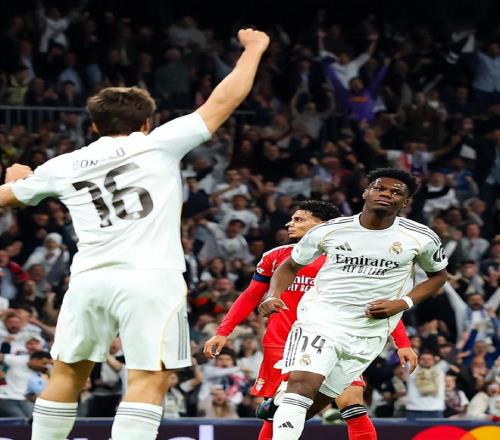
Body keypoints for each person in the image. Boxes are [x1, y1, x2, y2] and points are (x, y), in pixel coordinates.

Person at [0, 28, 270, 440]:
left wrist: (15, 179)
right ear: (147, 122)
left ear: (94, 125)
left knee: (67, 373)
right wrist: (254, 49)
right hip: (151, 279)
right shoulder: (159, 143)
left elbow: (7, 197)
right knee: (149, 377)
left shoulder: (62, 165)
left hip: (88, 280)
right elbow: (224, 100)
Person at [259, 168, 448, 440]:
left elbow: (438, 276)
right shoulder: (330, 230)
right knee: (301, 387)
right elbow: (290, 265)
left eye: (396, 192)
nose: (386, 194)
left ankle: (280, 404)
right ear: (366, 192)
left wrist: (402, 303)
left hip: (368, 333)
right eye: (379, 188)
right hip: (321, 319)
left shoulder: (421, 237)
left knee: (313, 404)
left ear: (405, 202)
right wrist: (273, 294)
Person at [204, 200, 417, 440]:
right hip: (282, 344)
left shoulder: (350, 260)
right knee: (278, 412)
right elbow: (250, 295)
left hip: (337, 340)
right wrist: (223, 331)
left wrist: (402, 343)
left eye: (299, 219)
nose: (289, 224)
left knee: (353, 404)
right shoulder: (276, 257)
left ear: (323, 225)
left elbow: (377, 306)